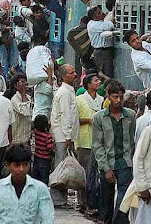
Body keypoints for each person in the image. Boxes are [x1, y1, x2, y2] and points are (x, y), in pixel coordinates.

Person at [92, 81, 136, 224]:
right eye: (115, 97)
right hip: (107, 163)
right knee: (107, 201)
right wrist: (106, 168)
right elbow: (98, 145)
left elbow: (131, 140)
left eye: (121, 97)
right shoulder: (99, 118)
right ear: (108, 97)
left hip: (125, 162)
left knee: (124, 200)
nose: (118, 100)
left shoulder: (130, 115)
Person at [0, 144, 54, 224]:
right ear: (7, 165)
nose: (21, 169)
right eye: (17, 165)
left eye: (25, 165)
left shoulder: (40, 189)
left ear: (30, 164)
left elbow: (47, 219)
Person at [49, 64, 80, 206]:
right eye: (71, 72)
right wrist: (68, 136)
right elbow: (65, 115)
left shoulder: (69, 91)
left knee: (64, 167)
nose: (75, 74)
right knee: (60, 168)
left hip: (66, 135)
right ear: (63, 76)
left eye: (74, 72)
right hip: (63, 135)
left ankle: (61, 198)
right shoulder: (64, 92)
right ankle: (57, 198)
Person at [76, 73, 104, 210]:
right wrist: (87, 120)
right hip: (84, 140)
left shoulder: (102, 100)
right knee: (84, 171)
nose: (99, 82)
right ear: (88, 85)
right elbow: (74, 119)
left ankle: (94, 201)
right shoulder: (80, 100)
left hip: (98, 141)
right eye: (96, 80)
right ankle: (82, 201)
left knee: (96, 173)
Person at [26, 38, 55, 118]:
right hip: (41, 114)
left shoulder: (40, 80)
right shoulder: (40, 83)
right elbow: (48, 90)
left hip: (45, 113)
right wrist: (49, 75)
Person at [87, 6, 117, 78]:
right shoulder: (94, 25)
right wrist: (113, 12)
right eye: (99, 13)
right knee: (106, 73)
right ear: (94, 17)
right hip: (102, 52)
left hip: (104, 51)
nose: (102, 13)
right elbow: (110, 24)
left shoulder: (98, 22)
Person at [9, 74, 32, 145]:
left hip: (26, 137)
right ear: (16, 85)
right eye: (22, 82)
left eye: (25, 82)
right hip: (18, 139)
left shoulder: (28, 97)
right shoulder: (14, 99)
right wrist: (23, 93)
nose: (25, 84)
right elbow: (25, 111)